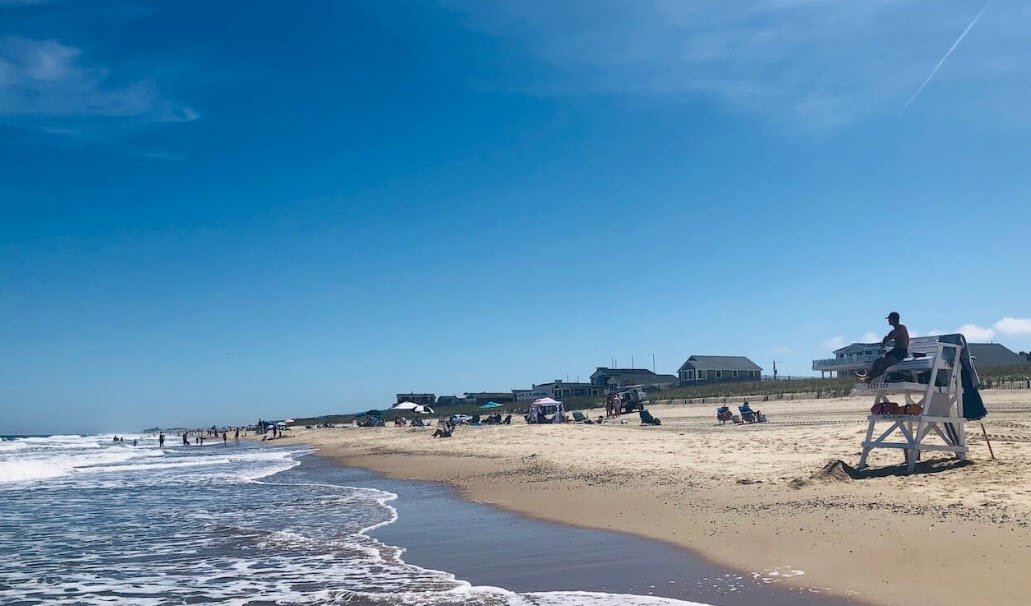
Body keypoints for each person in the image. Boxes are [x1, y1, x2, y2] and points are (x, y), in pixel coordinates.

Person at [858, 311, 911, 383]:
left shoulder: (901, 328)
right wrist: (884, 342)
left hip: (901, 353)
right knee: (878, 360)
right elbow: (885, 341)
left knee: (884, 364)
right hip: (895, 351)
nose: (888, 321)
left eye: (889, 319)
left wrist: (886, 339)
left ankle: (868, 379)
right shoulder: (894, 331)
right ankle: (867, 375)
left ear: (893, 319)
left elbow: (892, 336)